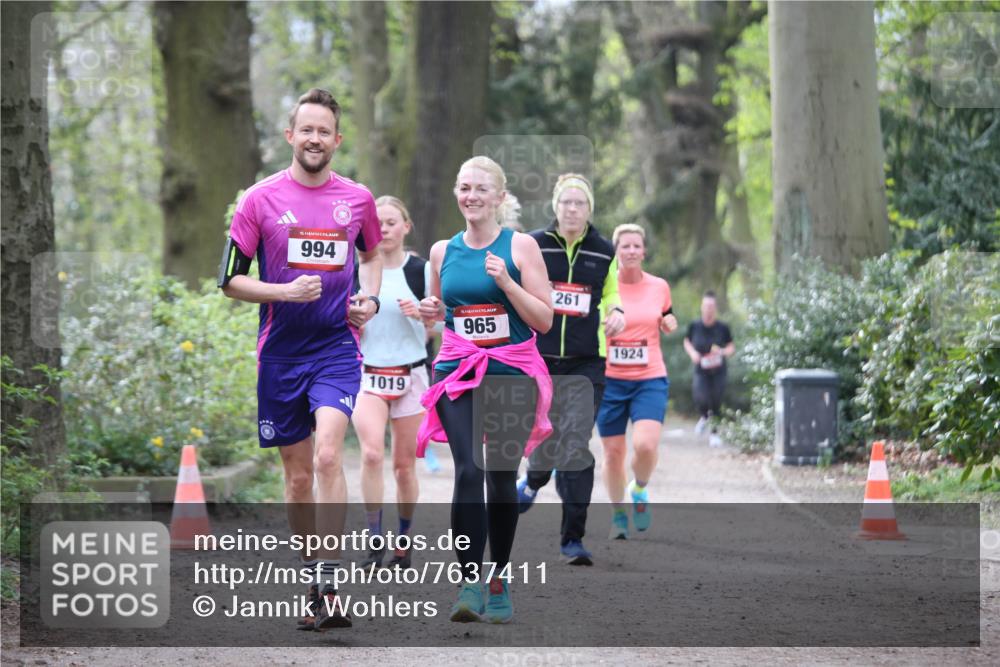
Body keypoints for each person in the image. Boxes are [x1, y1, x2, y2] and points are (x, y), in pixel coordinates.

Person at [218, 88, 382, 631]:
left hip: (336, 348)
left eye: (324, 131)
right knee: (296, 480)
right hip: (281, 355)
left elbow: (372, 253)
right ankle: (312, 578)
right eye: (305, 129)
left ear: (338, 140)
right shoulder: (258, 199)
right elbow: (229, 280)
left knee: (330, 457)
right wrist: (281, 293)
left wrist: (370, 299)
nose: (315, 139)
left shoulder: (357, 198)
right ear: (290, 136)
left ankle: (332, 585)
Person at [417, 156, 554, 624]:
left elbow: (543, 319)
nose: (469, 195)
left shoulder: (521, 247)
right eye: (463, 187)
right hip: (457, 368)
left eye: (479, 188)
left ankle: (499, 576)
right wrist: (430, 310)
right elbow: (444, 314)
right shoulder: (441, 251)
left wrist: (507, 283)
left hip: (511, 371)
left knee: (499, 476)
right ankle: (468, 582)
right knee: (468, 471)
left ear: (499, 196)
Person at [515, 173, 625, 566]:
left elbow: (612, 293)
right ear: (555, 207)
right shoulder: (534, 245)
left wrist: (617, 313)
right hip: (539, 358)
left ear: (589, 209)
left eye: (580, 203)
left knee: (576, 443)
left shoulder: (603, 250)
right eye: (566, 202)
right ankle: (533, 481)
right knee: (545, 437)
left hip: (586, 362)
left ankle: (572, 540)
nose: (573, 209)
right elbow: (514, 285)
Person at [353, 197, 432, 570]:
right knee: (371, 454)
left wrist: (423, 315)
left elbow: (439, 325)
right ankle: (373, 539)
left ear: (406, 227)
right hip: (368, 374)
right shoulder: (360, 270)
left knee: (404, 466)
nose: (383, 229)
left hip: (411, 373)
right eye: (377, 223)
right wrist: (353, 320)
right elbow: (344, 323)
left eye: (390, 223)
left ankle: (403, 541)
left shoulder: (422, 270)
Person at [597, 224, 677, 540]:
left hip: (649, 378)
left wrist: (670, 322)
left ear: (644, 252)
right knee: (613, 453)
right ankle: (618, 513)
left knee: (645, 445)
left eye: (636, 246)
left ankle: (639, 489)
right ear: (615, 252)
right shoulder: (604, 287)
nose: (630, 251)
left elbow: (667, 316)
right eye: (624, 246)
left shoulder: (659, 286)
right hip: (610, 380)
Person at [683, 290, 735, 447]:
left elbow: (731, 347)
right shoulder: (694, 326)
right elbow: (687, 341)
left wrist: (722, 351)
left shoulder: (723, 328)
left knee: (716, 401)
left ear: (715, 308)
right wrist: (692, 353)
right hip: (701, 370)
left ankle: (714, 434)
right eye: (706, 306)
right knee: (701, 398)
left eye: (711, 306)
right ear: (701, 307)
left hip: (718, 370)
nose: (709, 309)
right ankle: (704, 417)